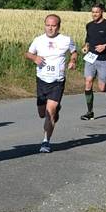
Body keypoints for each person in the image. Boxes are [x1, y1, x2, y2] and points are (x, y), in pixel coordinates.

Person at [24, 14, 78, 153]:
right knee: (42, 113)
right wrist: (34, 57)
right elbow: (28, 54)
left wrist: (73, 61)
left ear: (58, 27)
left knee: (50, 111)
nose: (50, 28)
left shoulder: (66, 40)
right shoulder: (38, 40)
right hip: (42, 80)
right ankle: (55, 111)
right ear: (44, 25)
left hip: (57, 81)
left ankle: (45, 142)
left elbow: (74, 52)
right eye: (48, 25)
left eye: (53, 26)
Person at [80, 3, 106, 120]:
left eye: (97, 12)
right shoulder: (89, 25)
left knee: (101, 88)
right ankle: (90, 112)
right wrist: (86, 47)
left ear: (102, 12)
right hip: (90, 58)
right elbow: (88, 39)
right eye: (93, 12)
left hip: (104, 60)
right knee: (88, 82)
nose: (94, 14)